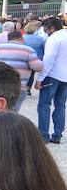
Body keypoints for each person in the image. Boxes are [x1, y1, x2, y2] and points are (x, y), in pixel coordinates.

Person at [0, 28, 43, 113]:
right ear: (21, 38)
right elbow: (37, 67)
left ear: (8, 39)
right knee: (12, 112)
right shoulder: (28, 50)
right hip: (18, 86)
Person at [35, 16, 66, 144]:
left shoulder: (54, 38)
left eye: (46, 30)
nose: (46, 32)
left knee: (44, 105)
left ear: (52, 28)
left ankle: (43, 135)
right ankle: (57, 134)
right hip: (65, 77)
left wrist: (40, 79)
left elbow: (48, 60)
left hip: (52, 75)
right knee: (60, 105)